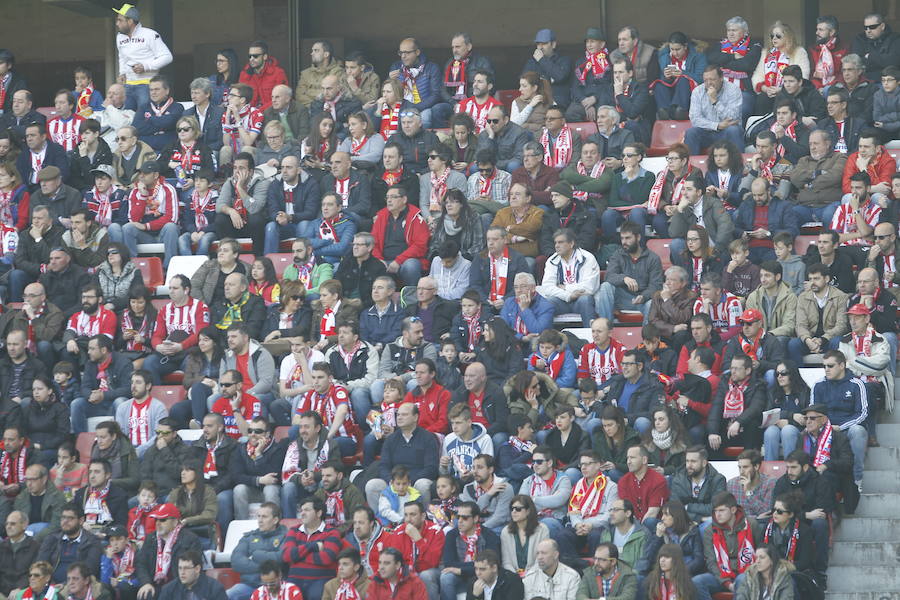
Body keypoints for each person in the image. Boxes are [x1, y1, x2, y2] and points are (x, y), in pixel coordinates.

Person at [693, 491, 763, 598]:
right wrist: (726, 583)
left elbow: (762, 552)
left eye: (722, 510)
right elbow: (711, 561)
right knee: (697, 582)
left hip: (747, 572)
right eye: (715, 511)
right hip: (721, 575)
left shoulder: (751, 524)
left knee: (742, 580)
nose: (718, 515)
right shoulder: (710, 531)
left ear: (733, 510)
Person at [596, 221, 663, 322]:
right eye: (622, 238)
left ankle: (647, 337)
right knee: (605, 286)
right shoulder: (618, 255)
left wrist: (643, 296)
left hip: (643, 301)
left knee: (651, 304)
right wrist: (624, 278)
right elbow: (609, 276)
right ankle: (605, 329)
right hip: (622, 299)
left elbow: (656, 286)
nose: (624, 242)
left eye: (628, 238)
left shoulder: (653, 258)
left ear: (638, 238)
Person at [112, 3, 172, 111]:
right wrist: (122, 72)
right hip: (128, 85)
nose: (117, 23)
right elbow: (122, 56)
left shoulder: (150, 34)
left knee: (145, 118)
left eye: (120, 20)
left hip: (146, 84)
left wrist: (145, 66)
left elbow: (167, 56)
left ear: (130, 21)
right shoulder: (119, 37)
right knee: (128, 119)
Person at [371, 185, 430, 287]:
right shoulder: (381, 216)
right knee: (369, 264)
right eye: (387, 197)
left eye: (393, 197)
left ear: (404, 199)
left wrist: (398, 261)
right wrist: (379, 260)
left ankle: (411, 297)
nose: (389, 200)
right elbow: (373, 242)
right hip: (384, 260)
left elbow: (420, 246)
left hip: (405, 262)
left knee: (411, 265)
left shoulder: (415, 218)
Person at [440, 501, 501, 600]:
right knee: (446, 577)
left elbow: (492, 564)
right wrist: (471, 568)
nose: (459, 521)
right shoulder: (452, 535)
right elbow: (449, 564)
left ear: (476, 518)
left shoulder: (489, 535)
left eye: (464, 518)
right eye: (458, 517)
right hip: (459, 577)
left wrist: (461, 570)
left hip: (482, 575)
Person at [790, 263, 850, 359]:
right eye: (810, 279)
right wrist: (808, 341)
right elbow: (800, 325)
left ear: (826, 279)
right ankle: (797, 373)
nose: (812, 282)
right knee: (793, 344)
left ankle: (834, 371)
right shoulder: (803, 297)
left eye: (816, 279)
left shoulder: (840, 297)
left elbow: (841, 326)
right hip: (811, 340)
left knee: (837, 341)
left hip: (829, 339)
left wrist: (822, 339)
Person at [37, 502, 103, 584]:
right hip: (50, 585)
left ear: (81, 520)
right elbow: (40, 565)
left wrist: (65, 585)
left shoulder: (92, 542)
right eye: (63, 517)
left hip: (78, 586)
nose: (65, 521)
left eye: (70, 518)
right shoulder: (52, 538)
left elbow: (89, 570)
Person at [685, 65, 743, 155]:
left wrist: (715, 101)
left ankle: (739, 166)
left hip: (726, 132)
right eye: (706, 80)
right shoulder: (697, 91)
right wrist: (717, 125)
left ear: (721, 78)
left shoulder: (733, 90)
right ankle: (690, 167)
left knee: (734, 130)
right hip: (706, 132)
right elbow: (695, 119)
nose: (709, 83)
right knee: (691, 132)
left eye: (712, 79)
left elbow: (733, 117)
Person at [763, 361, 810, 461]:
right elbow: (768, 416)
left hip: (799, 430)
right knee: (770, 432)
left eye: (783, 373)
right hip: (776, 428)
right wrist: (791, 416)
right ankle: (769, 472)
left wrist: (788, 422)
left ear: (792, 374)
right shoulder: (772, 392)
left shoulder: (804, 391)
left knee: (787, 430)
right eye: (777, 374)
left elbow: (805, 419)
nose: (779, 376)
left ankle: (791, 469)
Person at [72, 459, 128, 534]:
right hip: (83, 534)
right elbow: (73, 518)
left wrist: (105, 534)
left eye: (97, 472)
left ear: (107, 475)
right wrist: (81, 524)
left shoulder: (119, 495)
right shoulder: (81, 493)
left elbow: (121, 524)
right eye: (90, 472)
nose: (92, 476)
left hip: (108, 538)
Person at [521, 29, 574, 109]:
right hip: (536, 102)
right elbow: (525, 82)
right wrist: (550, 78)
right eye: (538, 44)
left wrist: (542, 60)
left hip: (558, 104)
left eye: (544, 44)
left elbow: (560, 76)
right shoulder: (532, 62)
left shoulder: (564, 60)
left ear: (553, 44)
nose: (540, 47)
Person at [476, 106, 532, 174]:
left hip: (507, 167)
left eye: (495, 121)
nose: (491, 124)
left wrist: (496, 164)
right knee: (474, 167)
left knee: (513, 166)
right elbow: (480, 157)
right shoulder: (485, 134)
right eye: (489, 121)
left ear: (505, 120)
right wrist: (491, 137)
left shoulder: (519, 133)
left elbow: (520, 158)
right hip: (489, 168)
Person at [16, 124, 69, 193]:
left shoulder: (56, 150)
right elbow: (20, 177)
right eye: (27, 136)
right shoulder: (23, 154)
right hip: (30, 191)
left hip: (53, 189)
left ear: (43, 137)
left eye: (33, 135)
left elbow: (63, 173)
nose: (29, 139)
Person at [850, 13, 900, 81]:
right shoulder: (860, 39)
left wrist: (869, 56)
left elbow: (893, 62)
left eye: (872, 27)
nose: (868, 31)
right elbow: (856, 63)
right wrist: (882, 59)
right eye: (865, 28)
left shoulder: (895, 39)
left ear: (882, 26)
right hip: (865, 82)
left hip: (887, 83)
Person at [184, 78, 225, 152]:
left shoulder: (219, 113)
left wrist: (203, 150)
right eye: (192, 93)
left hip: (212, 150)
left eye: (197, 93)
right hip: (192, 151)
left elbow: (221, 141)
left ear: (207, 94)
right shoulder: (187, 114)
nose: (193, 96)